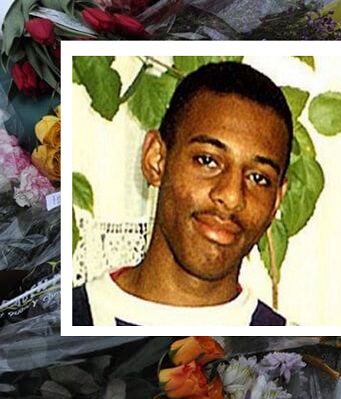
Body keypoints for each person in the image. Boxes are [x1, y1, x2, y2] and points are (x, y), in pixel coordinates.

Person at [73, 60, 292, 326]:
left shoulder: (296, 353)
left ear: (276, 200)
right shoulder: (57, 326)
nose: (232, 197)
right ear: (156, 160)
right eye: (208, 160)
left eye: (258, 178)